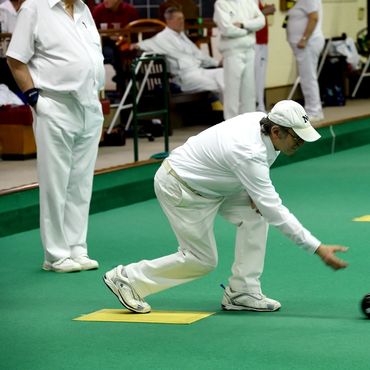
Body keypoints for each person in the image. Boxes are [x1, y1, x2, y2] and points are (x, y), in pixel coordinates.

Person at [103, 100, 348, 314]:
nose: (301, 143)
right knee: (202, 260)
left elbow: (250, 177)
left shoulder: (261, 123)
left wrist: (252, 191)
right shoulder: (248, 151)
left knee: (256, 214)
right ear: (276, 131)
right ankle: (128, 278)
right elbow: (275, 209)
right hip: (181, 186)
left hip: (215, 184)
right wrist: (317, 248)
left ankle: (243, 292)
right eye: (297, 138)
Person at [7, 0, 105, 273]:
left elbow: (91, 57)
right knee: (55, 183)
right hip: (54, 104)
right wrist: (34, 99)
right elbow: (15, 60)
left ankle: (77, 248)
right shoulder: (34, 8)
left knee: (81, 183)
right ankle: (56, 255)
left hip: (89, 105)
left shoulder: (85, 10)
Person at [135, 7, 224, 103]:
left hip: (199, 70)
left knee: (225, 74)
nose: (182, 21)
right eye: (178, 19)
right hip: (184, 77)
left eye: (182, 18)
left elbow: (198, 54)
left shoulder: (182, 36)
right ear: (168, 20)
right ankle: (230, 114)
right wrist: (134, 46)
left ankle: (232, 112)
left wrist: (217, 63)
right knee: (217, 85)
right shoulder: (161, 38)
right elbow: (145, 44)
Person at [213, 0, 265, 119]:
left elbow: (261, 21)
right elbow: (227, 29)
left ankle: (249, 123)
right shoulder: (221, 4)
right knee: (232, 92)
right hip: (232, 52)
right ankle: (230, 126)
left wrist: (243, 25)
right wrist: (250, 30)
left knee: (249, 92)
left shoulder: (249, 2)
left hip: (249, 50)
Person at [286, 0, 325, 122]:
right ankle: (313, 109)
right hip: (305, 45)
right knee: (306, 77)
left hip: (308, 43)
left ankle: (314, 111)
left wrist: (304, 38)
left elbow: (313, 18)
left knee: (308, 77)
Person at [92, 0, 139, 92]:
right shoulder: (99, 10)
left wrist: (124, 37)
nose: (105, 0)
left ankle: (124, 85)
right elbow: (91, 30)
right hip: (104, 43)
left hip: (124, 43)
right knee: (112, 53)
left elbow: (135, 34)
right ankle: (121, 81)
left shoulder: (130, 10)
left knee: (123, 52)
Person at [254, 1, 275, 113]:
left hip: (262, 41)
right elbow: (250, 17)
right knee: (256, 75)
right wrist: (266, 11)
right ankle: (258, 105)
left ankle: (260, 104)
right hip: (255, 42)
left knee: (261, 75)